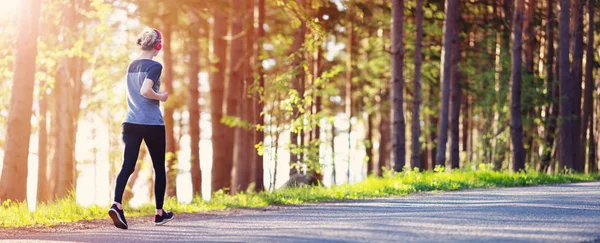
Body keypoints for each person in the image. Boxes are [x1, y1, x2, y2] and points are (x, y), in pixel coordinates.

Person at [108, 27, 174, 229]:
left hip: (130, 122)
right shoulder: (154, 66)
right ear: (157, 45)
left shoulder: (131, 65)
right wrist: (161, 96)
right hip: (152, 123)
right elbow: (146, 90)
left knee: (127, 165)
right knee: (158, 167)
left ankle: (117, 204)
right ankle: (159, 213)